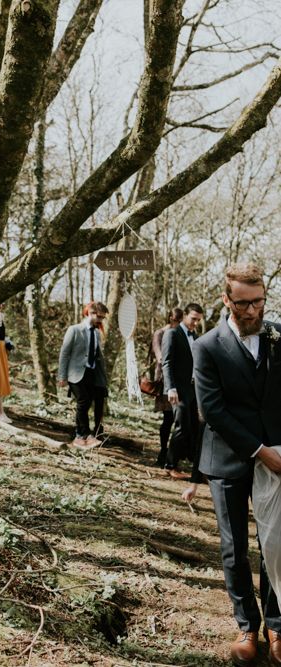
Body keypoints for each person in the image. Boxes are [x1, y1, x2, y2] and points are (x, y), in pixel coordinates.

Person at [191, 263, 281, 666]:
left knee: (275, 544)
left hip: (276, 459)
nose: (251, 311)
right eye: (242, 303)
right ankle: (246, 624)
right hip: (228, 458)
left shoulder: (279, 336)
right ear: (226, 299)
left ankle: (277, 625)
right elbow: (212, 409)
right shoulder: (207, 346)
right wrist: (259, 450)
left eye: (258, 301)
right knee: (234, 548)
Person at [161, 303, 204, 480]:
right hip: (177, 389)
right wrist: (170, 388)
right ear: (185, 315)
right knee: (181, 427)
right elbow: (167, 362)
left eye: (198, 320)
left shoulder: (195, 336)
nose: (195, 323)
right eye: (193, 319)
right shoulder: (172, 333)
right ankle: (170, 465)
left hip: (193, 389)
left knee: (195, 427)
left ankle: (197, 469)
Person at [58, 301, 109, 449]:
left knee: (85, 404)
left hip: (91, 374)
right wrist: (62, 376)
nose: (100, 320)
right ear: (91, 313)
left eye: (102, 318)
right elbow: (65, 353)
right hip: (75, 373)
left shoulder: (97, 333)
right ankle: (84, 435)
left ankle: (80, 436)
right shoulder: (74, 330)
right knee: (83, 402)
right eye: (99, 317)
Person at [151, 308, 184, 467]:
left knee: (179, 419)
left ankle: (174, 454)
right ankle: (163, 451)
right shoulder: (160, 333)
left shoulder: (182, 334)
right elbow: (160, 357)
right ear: (171, 318)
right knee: (168, 418)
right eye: (176, 320)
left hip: (180, 381)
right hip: (165, 380)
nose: (177, 323)